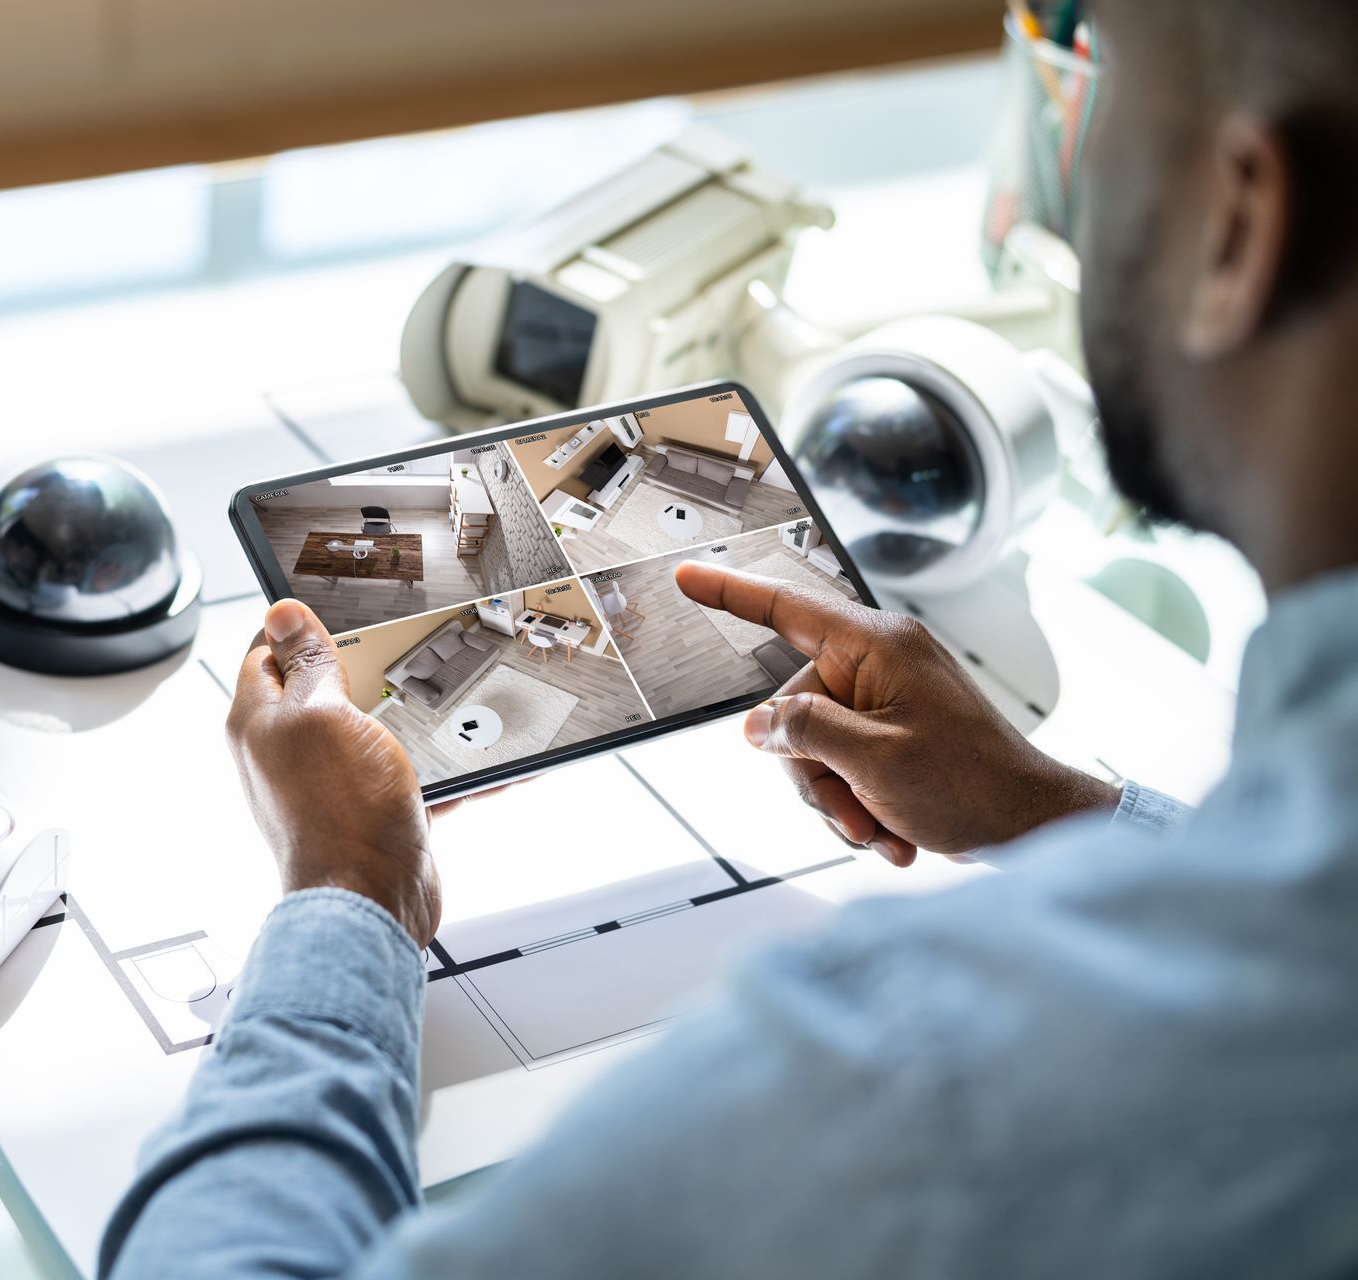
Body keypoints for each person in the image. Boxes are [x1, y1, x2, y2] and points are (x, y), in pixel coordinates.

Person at [102, 0, 1358, 1272]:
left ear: (1239, 228)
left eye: (1106, 98)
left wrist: (348, 889)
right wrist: (1058, 814)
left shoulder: (899, 1074)